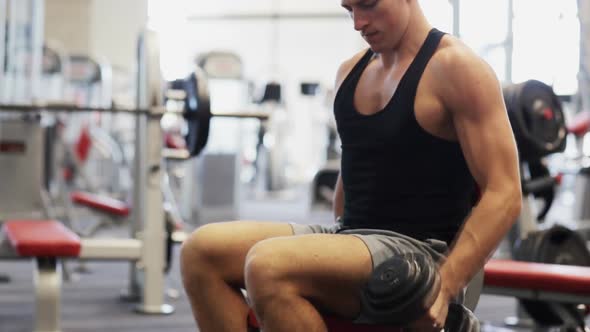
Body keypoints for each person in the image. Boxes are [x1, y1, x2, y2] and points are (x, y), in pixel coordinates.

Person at [180, 0, 522, 331]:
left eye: (368, 4)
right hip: (353, 236)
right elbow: (352, 182)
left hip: (421, 254)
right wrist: (331, 258)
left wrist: (445, 286)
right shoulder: (351, 72)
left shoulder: (456, 67)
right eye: (349, 10)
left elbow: (504, 193)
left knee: (269, 265)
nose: (359, 23)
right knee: (201, 251)